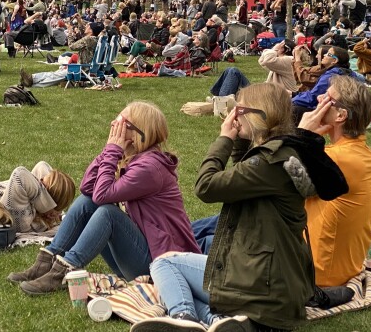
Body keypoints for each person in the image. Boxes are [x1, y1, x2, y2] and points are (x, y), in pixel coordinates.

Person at [135, 84, 347, 332]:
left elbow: (206, 187)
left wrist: (224, 139)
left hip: (261, 286)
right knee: (183, 265)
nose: (233, 113)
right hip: (274, 279)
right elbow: (242, 173)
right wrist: (238, 140)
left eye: (239, 108)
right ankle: (213, 322)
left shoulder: (268, 163)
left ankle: (184, 317)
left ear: (257, 114)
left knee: (164, 263)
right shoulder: (283, 154)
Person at [8, 101, 199, 294]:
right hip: (146, 253)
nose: (112, 124)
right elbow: (88, 189)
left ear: (136, 133)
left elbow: (102, 195)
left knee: (108, 214)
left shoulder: (150, 168)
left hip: (160, 266)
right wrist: (110, 151)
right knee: (86, 203)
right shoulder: (138, 159)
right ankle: (46, 262)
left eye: (119, 122)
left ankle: (62, 271)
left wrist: (112, 150)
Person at [299, 76, 371, 288]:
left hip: (315, 272)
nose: (318, 98)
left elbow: (270, 176)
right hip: (339, 267)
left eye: (327, 98)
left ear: (340, 115)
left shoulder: (337, 158)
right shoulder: (364, 155)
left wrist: (302, 136)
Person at [0, 161, 76, 233]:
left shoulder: (26, 216)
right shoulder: (31, 199)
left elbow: (20, 174)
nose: (37, 181)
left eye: (42, 185)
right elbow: (42, 165)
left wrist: (51, 209)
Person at [292, 46, 352, 121]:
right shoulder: (344, 72)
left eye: (328, 54)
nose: (323, 55)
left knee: (292, 109)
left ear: (334, 60)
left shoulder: (331, 75)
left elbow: (312, 98)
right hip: (341, 110)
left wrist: (292, 99)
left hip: (332, 110)